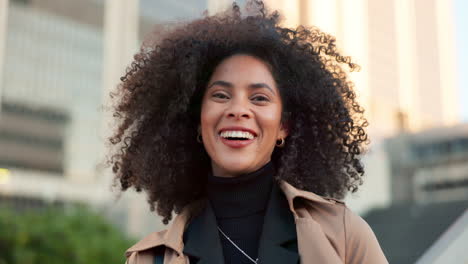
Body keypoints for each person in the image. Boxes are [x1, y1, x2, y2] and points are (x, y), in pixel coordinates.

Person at [108, 1, 388, 263]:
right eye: (220, 95)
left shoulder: (344, 234)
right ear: (196, 121)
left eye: (259, 98)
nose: (238, 110)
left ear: (284, 126)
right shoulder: (150, 260)